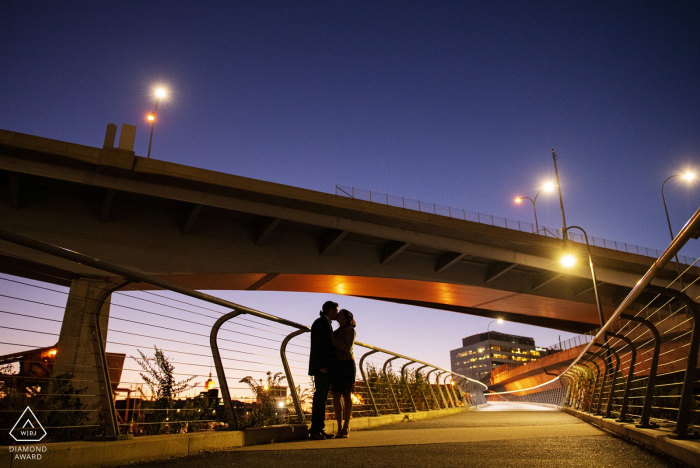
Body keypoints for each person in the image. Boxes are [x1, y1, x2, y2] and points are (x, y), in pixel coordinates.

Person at [308, 300, 338, 440]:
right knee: (320, 398)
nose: (337, 313)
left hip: (323, 367)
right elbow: (318, 346)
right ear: (330, 310)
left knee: (322, 398)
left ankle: (319, 429)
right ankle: (315, 430)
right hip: (322, 368)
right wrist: (321, 365)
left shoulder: (324, 323)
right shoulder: (321, 323)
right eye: (336, 310)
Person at [331, 309, 357, 438]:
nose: (337, 314)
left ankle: (346, 426)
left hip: (346, 364)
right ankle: (339, 427)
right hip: (336, 365)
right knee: (336, 395)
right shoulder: (335, 332)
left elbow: (348, 348)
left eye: (340, 313)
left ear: (346, 317)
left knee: (347, 395)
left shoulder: (350, 330)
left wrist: (333, 340)